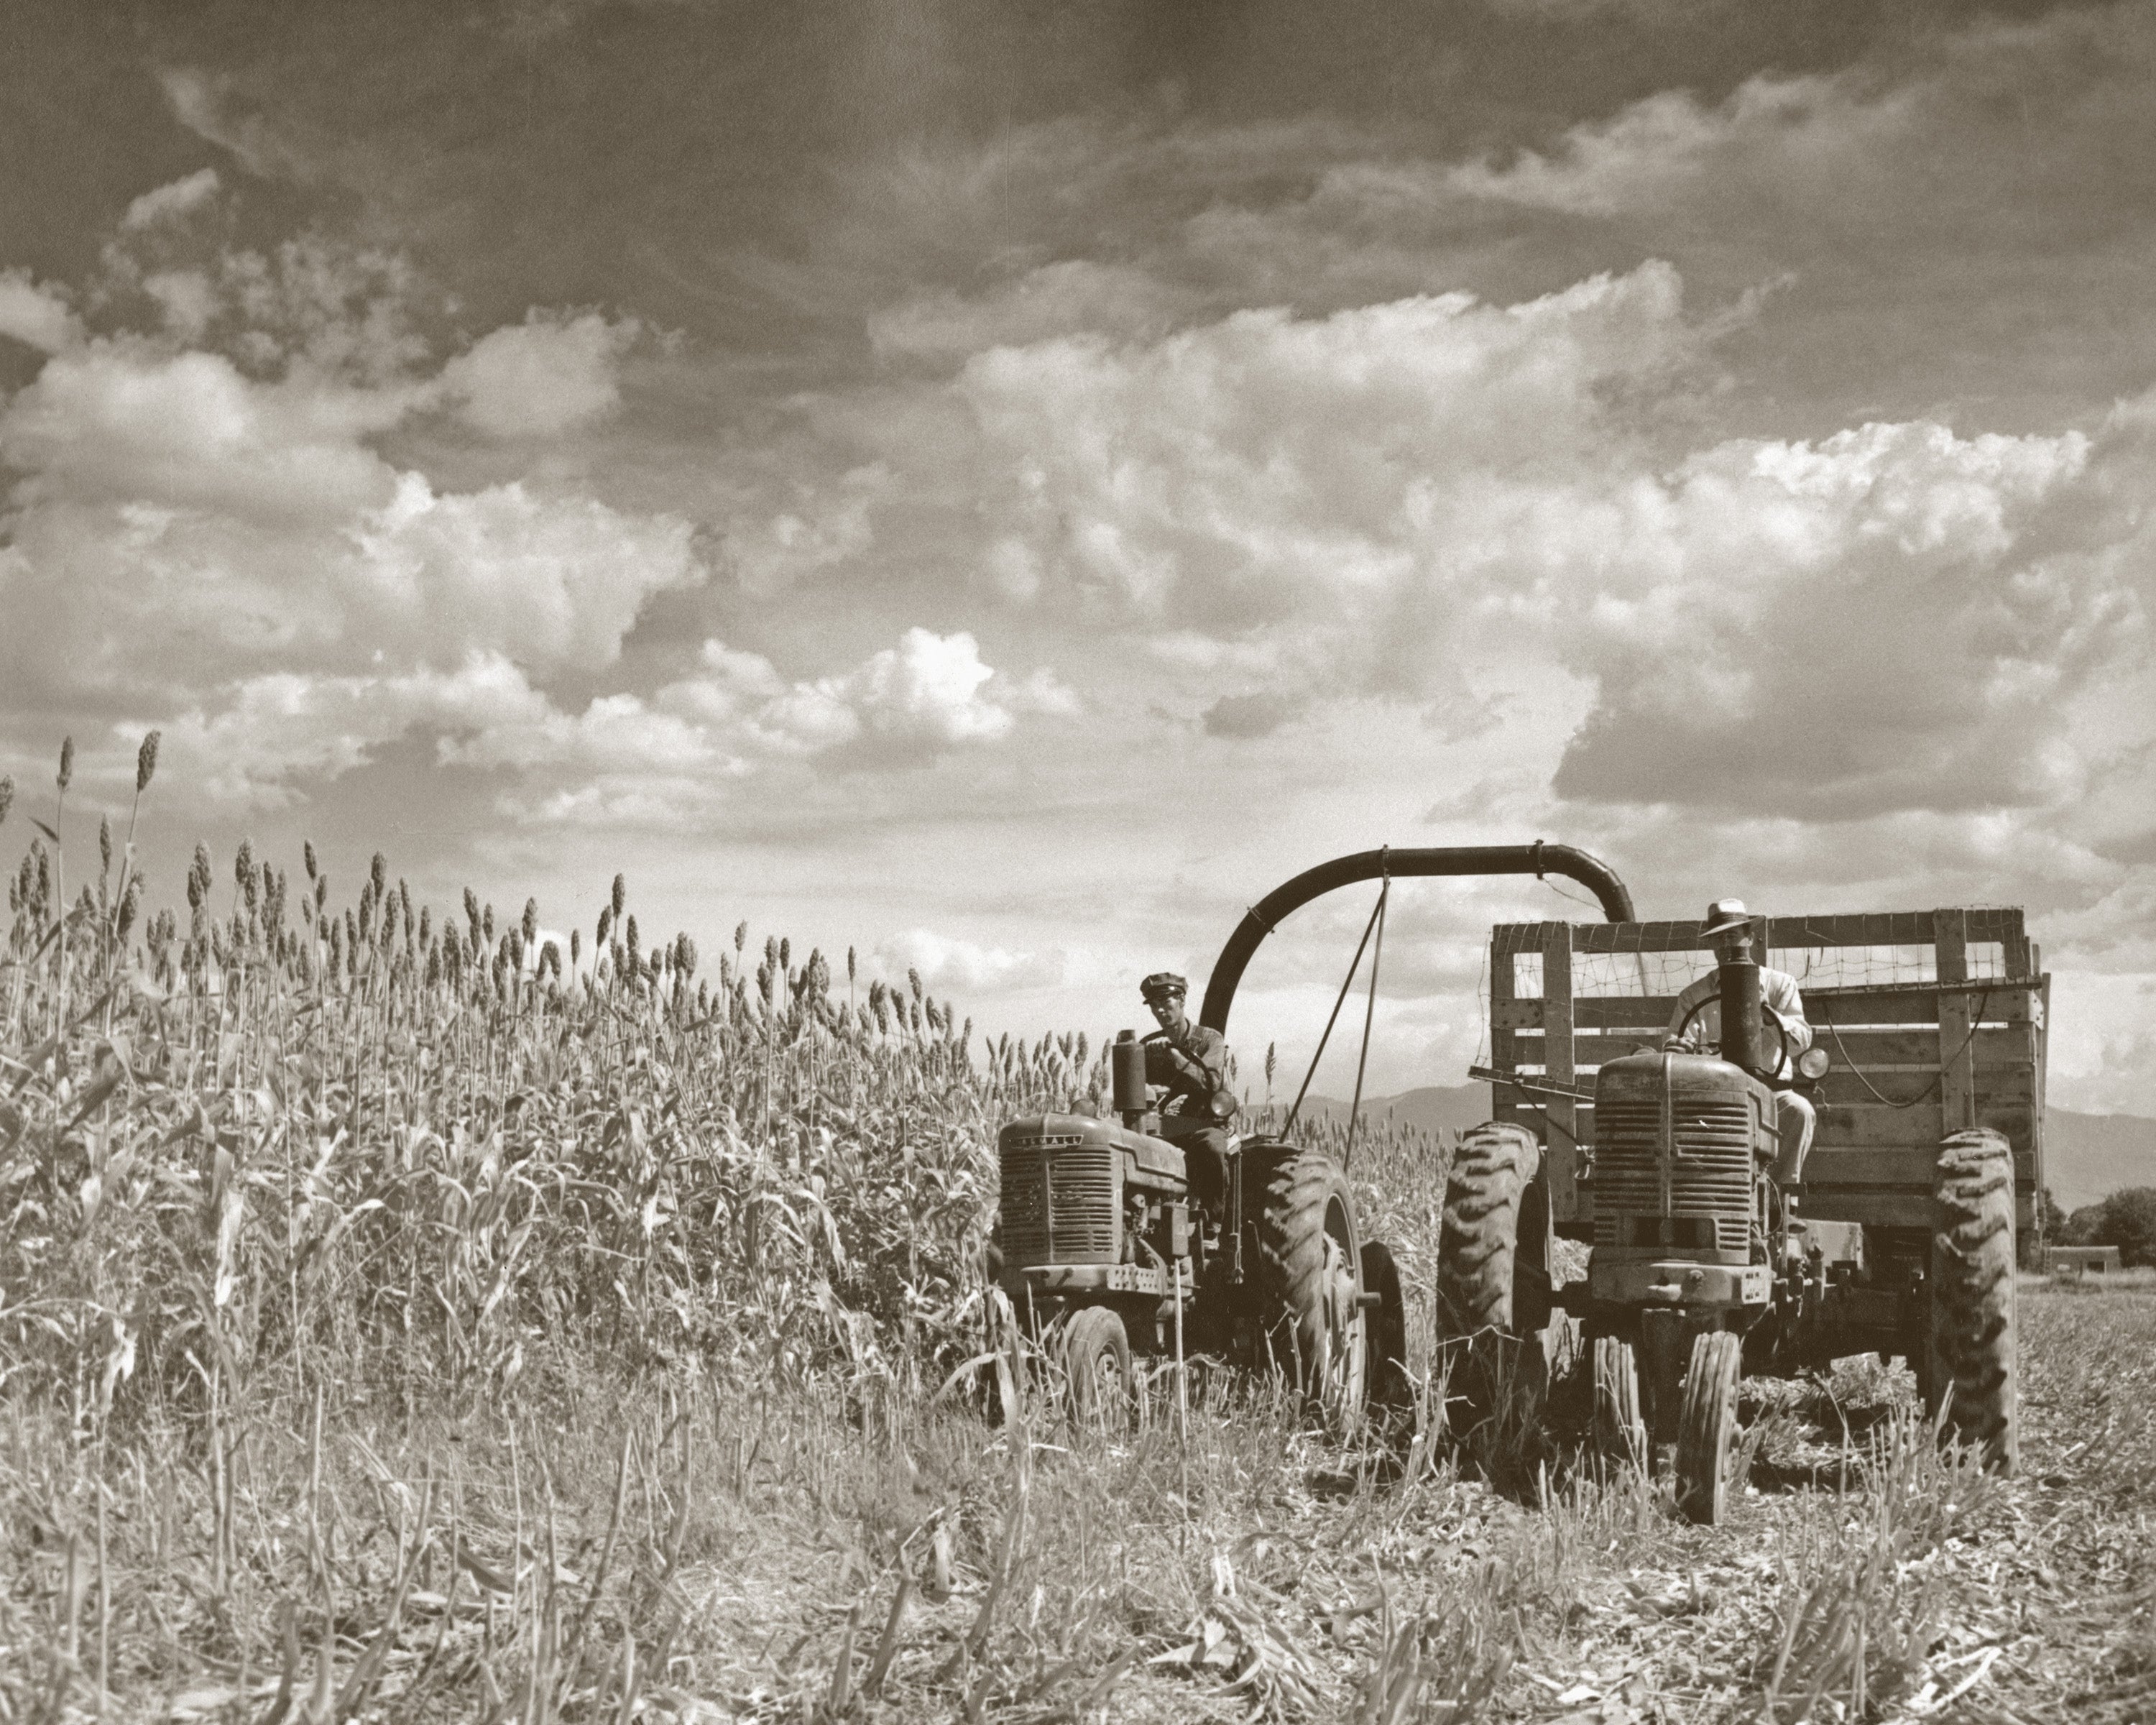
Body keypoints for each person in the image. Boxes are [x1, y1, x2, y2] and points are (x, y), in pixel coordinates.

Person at [1664, 898, 1817, 1194]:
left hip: (1771, 1095)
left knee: (1800, 1110)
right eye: (1718, 938)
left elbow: (1800, 1043)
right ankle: (1704, 1196)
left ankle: (1782, 1200)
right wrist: (1678, 1048)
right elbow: (1674, 1041)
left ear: (1749, 937)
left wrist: (1769, 1017)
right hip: (1714, 1097)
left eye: (1732, 935)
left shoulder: (1780, 986)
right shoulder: (1694, 995)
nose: (1725, 945)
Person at [1139, 972, 1237, 1220]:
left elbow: (1212, 1084)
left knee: (1213, 1148)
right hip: (1160, 1129)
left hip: (1201, 1126)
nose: (1160, 1011)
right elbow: (1135, 1095)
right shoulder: (1148, 1046)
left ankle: (1214, 1223)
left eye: (1166, 1003)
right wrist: (1151, 1091)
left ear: (1181, 1001)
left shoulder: (1208, 1040)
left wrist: (1176, 1057)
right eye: (1154, 1006)